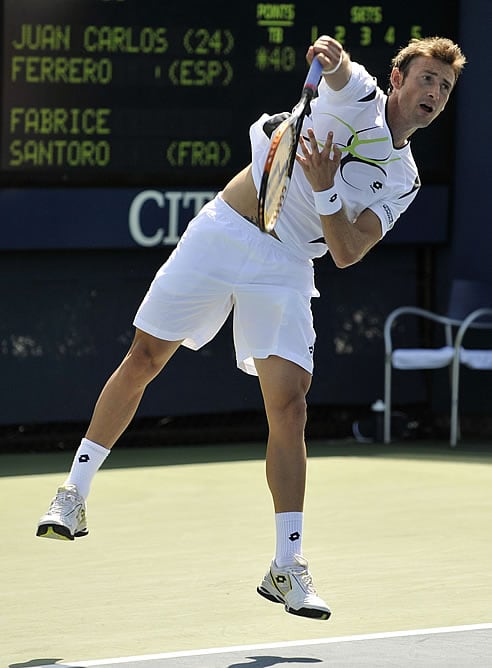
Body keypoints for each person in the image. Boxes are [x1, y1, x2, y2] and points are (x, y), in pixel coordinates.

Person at [36, 35, 466, 620]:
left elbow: (345, 252)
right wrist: (332, 56)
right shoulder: (359, 93)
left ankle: (286, 567)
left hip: (289, 263)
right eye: (426, 79)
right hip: (226, 229)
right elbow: (338, 70)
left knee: (289, 409)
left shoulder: (405, 179)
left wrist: (326, 187)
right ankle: (74, 494)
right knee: (145, 358)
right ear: (397, 79)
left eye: (444, 87)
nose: (434, 93)